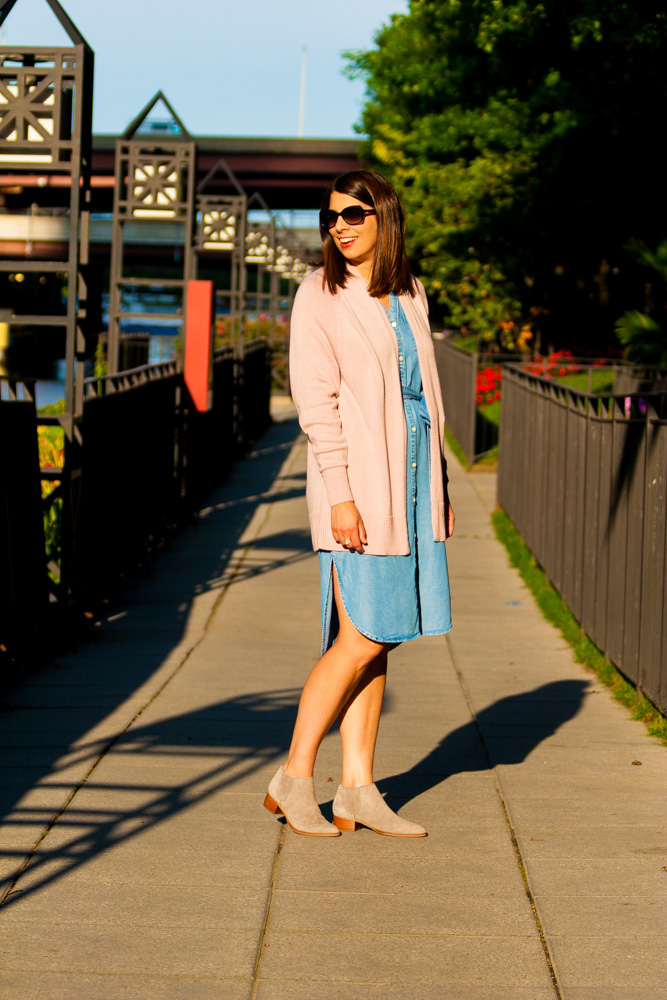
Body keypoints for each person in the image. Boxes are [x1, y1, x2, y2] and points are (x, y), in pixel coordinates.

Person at [264, 170, 454, 838]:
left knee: (381, 640)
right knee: (359, 636)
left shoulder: (409, 292)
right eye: (330, 217)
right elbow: (315, 405)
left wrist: (441, 488)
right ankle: (292, 777)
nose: (339, 225)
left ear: (384, 218)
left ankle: (356, 789)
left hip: (409, 483)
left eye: (353, 213)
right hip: (358, 486)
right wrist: (340, 495)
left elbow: (427, 400)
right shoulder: (318, 293)